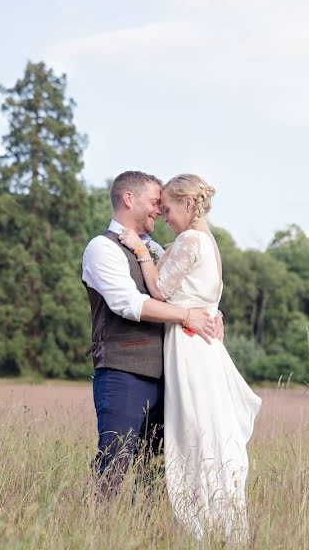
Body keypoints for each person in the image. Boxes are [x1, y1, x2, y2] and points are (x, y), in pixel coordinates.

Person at [118, 174, 262, 541]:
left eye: (167, 209)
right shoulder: (209, 242)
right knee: (204, 427)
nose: (164, 216)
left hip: (189, 346)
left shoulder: (190, 239)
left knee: (193, 428)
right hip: (201, 342)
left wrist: (139, 250)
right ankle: (214, 518)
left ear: (187, 204)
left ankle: (201, 522)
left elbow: (160, 291)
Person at [81, 171, 219, 497]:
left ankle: (147, 539)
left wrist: (214, 314)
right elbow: (127, 303)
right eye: (155, 202)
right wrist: (188, 316)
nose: (159, 210)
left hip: (168, 374)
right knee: (115, 460)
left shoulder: (156, 248)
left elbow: (185, 288)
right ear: (129, 199)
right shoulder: (102, 248)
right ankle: (95, 537)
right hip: (122, 370)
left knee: (158, 470)